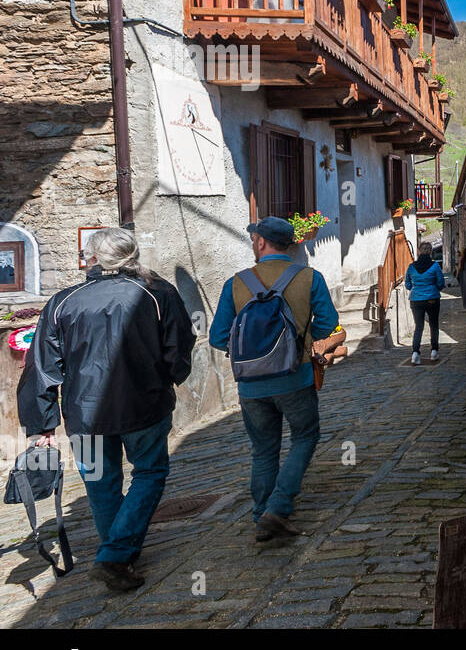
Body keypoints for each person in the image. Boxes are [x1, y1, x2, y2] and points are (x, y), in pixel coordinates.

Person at [16, 228, 195, 592]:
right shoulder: (157, 292)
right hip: (143, 405)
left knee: (101, 484)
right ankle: (116, 555)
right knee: (149, 473)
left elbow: (42, 366)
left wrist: (42, 424)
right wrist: (173, 376)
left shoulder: (64, 301)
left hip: (85, 414)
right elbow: (179, 346)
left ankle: (118, 553)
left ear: (93, 258)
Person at [209, 217, 339, 544]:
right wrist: (303, 344)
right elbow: (328, 325)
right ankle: (278, 508)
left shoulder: (236, 283)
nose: (254, 243)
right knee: (305, 436)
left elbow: (217, 336)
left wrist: (252, 351)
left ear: (262, 242)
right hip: (296, 377)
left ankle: (260, 516)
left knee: (263, 450)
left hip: (251, 386)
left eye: (254, 238)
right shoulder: (310, 278)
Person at [405, 241, 445, 364]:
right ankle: (434, 352)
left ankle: (415, 353)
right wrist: (434, 289)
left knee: (419, 327)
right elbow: (441, 283)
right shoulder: (435, 266)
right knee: (434, 325)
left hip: (416, 300)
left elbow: (407, 285)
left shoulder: (411, 267)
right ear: (431, 252)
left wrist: (416, 288)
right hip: (432, 298)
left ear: (419, 251)